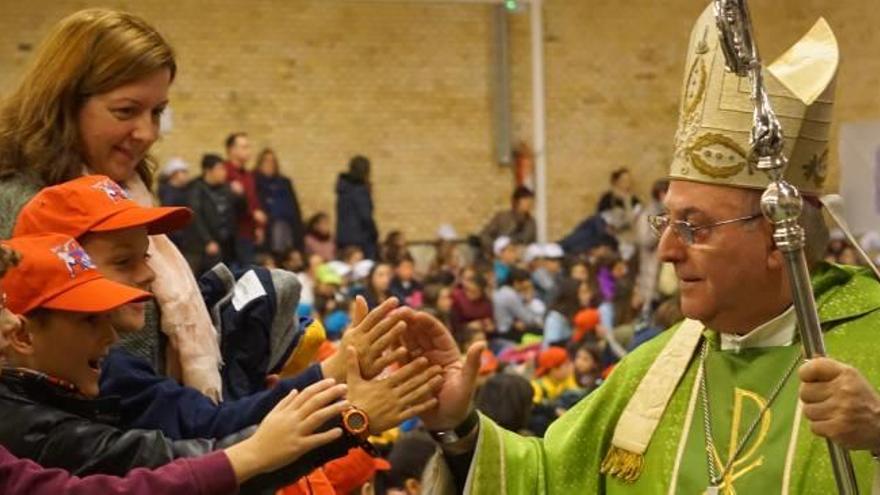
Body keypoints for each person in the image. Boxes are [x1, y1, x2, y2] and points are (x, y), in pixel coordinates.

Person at [402, 7, 879, 493]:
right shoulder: (655, 368)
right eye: (667, 222)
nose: (668, 251)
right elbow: (548, 477)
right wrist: (458, 426)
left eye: (695, 227)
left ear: (780, 234)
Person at [0, 234, 356, 492]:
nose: (149, 275)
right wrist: (349, 412)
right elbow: (165, 465)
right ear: (21, 333)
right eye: (124, 261)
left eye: (149, 256)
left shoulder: (95, 371)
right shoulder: (33, 419)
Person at [0, 8, 222, 400]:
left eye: (157, 113)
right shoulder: (20, 204)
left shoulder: (129, 190)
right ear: (64, 102)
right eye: (126, 111)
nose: (147, 132)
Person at [185, 153, 243, 274]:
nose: (223, 173)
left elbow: (241, 210)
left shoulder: (226, 188)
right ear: (208, 171)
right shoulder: (196, 189)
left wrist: (240, 195)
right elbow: (196, 217)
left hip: (226, 244)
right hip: (203, 248)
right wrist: (207, 240)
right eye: (219, 169)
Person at [223, 132, 267, 267]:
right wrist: (253, 213)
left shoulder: (249, 175)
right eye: (244, 147)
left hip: (248, 232)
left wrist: (259, 226)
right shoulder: (224, 172)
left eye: (248, 147)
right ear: (232, 150)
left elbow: (254, 200)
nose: (248, 151)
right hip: (232, 233)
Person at [254, 148, 306, 256]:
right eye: (266, 161)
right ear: (260, 163)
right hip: (268, 230)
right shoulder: (254, 181)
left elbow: (294, 209)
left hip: (287, 227)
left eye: (272, 161)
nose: (269, 164)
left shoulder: (284, 182)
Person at [336, 155, 379, 260]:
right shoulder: (359, 190)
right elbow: (365, 215)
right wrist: (374, 232)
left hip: (344, 236)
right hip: (361, 238)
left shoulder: (343, 189)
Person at [479, 186, 537, 258]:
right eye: (525, 199)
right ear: (516, 201)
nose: (529, 203)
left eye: (530, 200)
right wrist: (496, 250)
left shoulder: (531, 223)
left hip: (520, 259)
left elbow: (533, 244)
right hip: (499, 257)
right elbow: (484, 235)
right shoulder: (502, 217)